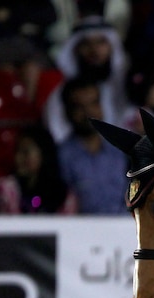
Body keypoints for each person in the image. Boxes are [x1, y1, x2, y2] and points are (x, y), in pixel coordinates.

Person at [44, 15, 137, 143]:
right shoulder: (62, 91)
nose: (94, 50)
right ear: (75, 49)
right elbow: (58, 132)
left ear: (112, 46)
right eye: (86, 44)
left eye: (101, 42)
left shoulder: (127, 87)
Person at [56, 77, 129, 214]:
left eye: (93, 103)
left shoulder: (120, 149)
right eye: (79, 107)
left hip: (124, 229)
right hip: (82, 231)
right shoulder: (61, 156)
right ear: (67, 111)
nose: (88, 112)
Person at [0, 124, 76, 214]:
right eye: (17, 151)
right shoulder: (8, 187)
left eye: (25, 152)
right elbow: (11, 223)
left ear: (44, 154)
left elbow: (67, 225)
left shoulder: (64, 194)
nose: (18, 158)